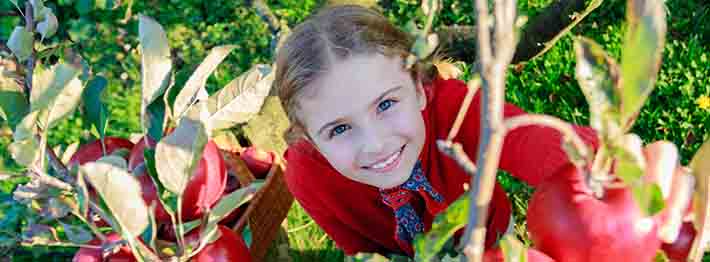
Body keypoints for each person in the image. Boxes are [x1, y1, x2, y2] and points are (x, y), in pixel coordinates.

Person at [272, 4, 690, 258]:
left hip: (491, 235)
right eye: (339, 128)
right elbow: (356, 246)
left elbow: (532, 142)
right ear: (309, 139)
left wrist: (613, 167)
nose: (376, 143)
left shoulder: (456, 108)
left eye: (385, 104)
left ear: (419, 88)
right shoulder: (306, 176)